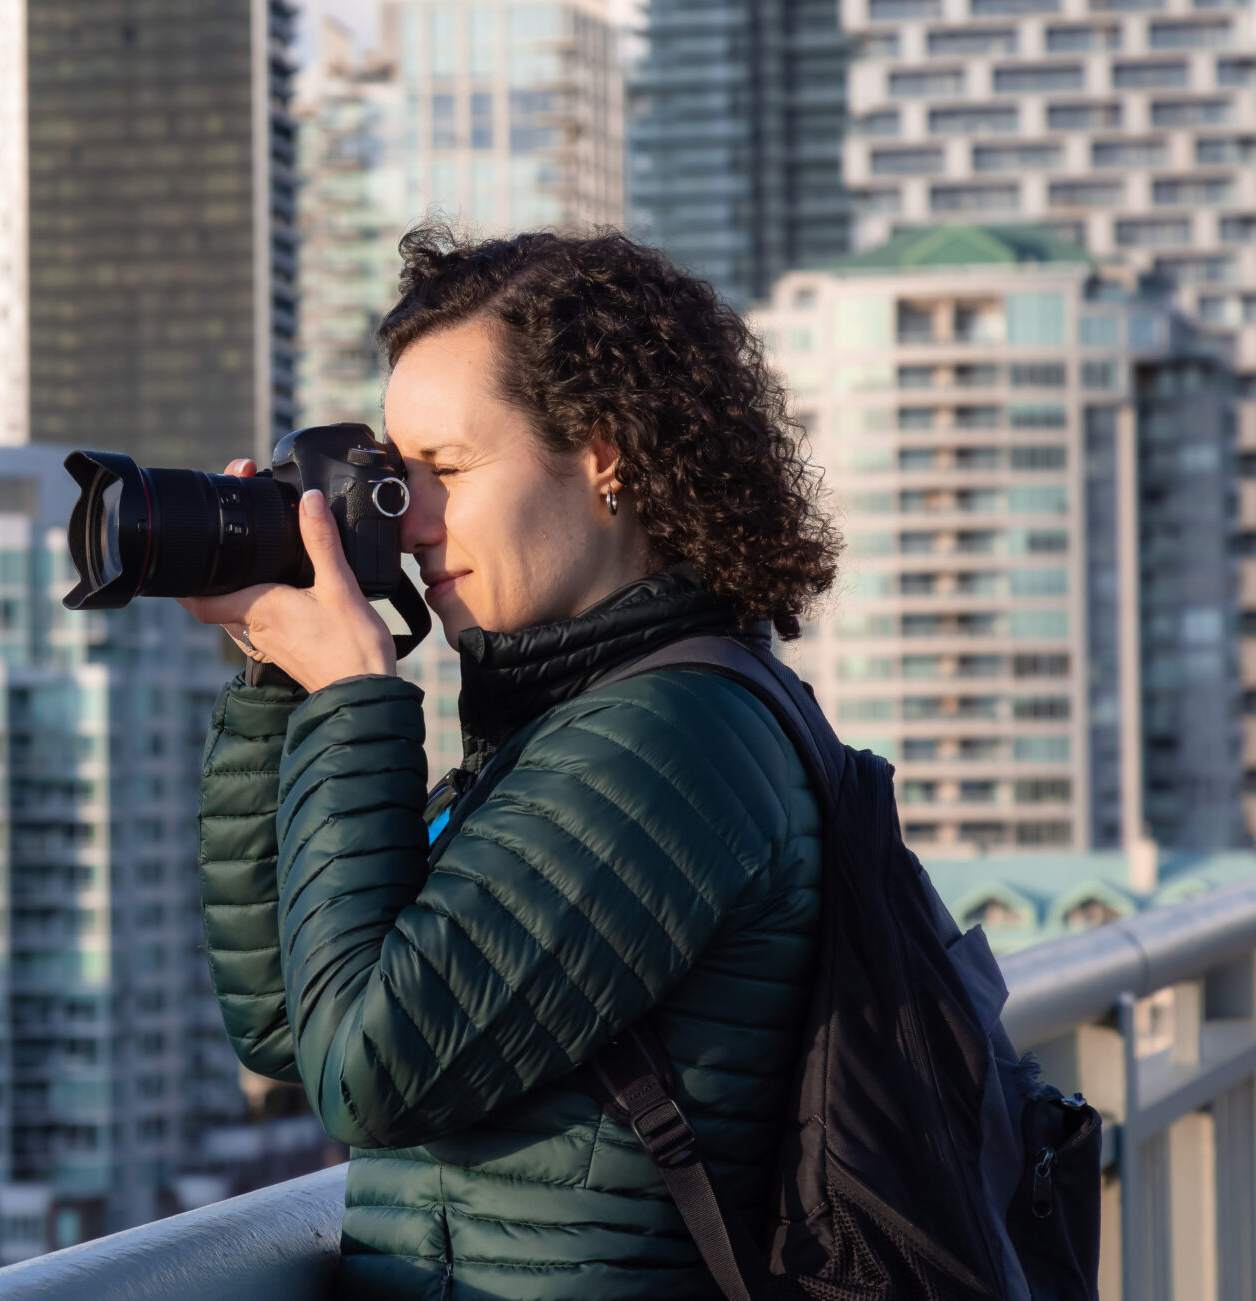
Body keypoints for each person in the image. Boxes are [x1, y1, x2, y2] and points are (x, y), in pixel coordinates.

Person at [182, 226, 841, 1298]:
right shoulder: (562, 724)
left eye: (444, 470)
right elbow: (286, 1025)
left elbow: (368, 1071)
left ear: (603, 453)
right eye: (396, 478)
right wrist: (276, 678)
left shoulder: (671, 741)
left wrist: (354, 694)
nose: (410, 523)